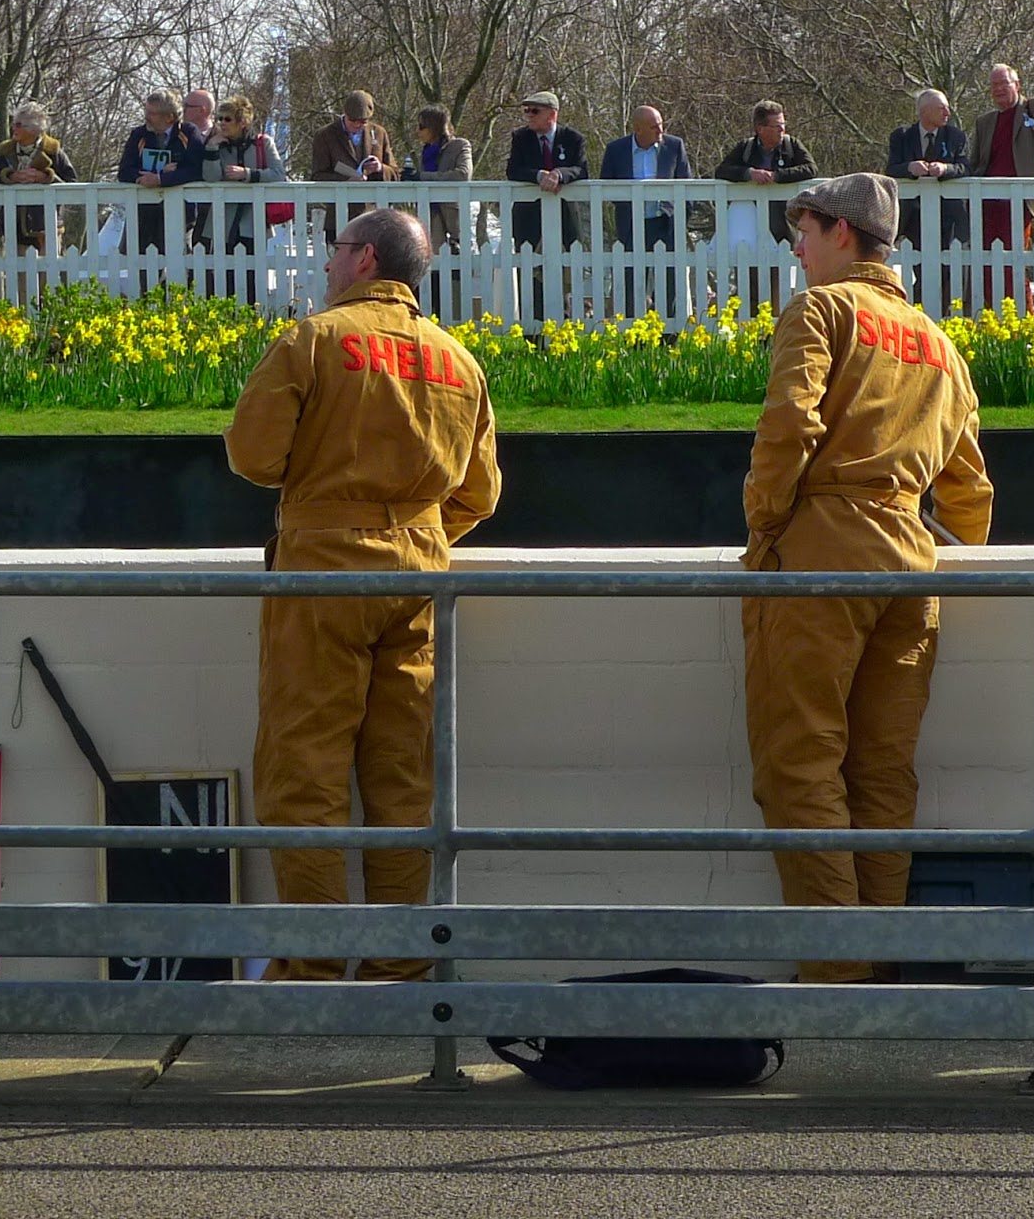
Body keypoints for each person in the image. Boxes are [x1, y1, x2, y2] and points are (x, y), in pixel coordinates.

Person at [225, 207, 501, 982]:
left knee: (303, 770)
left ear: (366, 260)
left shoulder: (313, 341)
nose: (326, 261)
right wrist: (412, 528)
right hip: (419, 574)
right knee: (403, 776)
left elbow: (253, 456)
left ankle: (312, 967)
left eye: (336, 248)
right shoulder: (459, 361)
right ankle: (399, 965)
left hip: (324, 570)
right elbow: (479, 494)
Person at [741, 172, 993, 984]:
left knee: (799, 760)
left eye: (804, 231)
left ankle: (835, 971)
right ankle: (880, 965)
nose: (798, 248)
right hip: (913, 567)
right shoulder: (940, 346)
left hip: (825, 552)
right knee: (883, 772)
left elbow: (789, 424)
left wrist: (767, 527)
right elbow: (970, 491)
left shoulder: (821, 311)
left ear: (841, 233)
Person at [715, 100, 816, 310]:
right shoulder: (746, 148)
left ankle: (778, 320)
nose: (782, 130)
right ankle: (751, 322)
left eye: (783, 124)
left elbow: (810, 169)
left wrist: (777, 176)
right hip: (750, 229)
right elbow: (722, 170)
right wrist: (749, 173)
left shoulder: (791, 145)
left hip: (783, 225)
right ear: (760, 128)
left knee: (781, 280)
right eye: (776, 126)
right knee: (750, 282)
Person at [600, 105, 692, 317]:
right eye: (654, 127)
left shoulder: (674, 146)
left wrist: (680, 220)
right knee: (631, 282)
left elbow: (687, 185)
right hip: (632, 225)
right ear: (638, 129)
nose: (660, 131)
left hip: (665, 223)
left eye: (661, 125)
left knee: (667, 283)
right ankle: (633, 331)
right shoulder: (616, 150)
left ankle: (667, 332)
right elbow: (606, 186)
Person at [196, 94, 288, 304]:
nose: (222, 123)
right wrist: (211, 148)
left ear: (243, 121)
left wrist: (248, 174)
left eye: (227, 119)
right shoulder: (215, 144)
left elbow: (278, 174)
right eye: (219, 118)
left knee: (252, 275)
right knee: (223, 276)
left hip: (253, 221)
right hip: (223, 221)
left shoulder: (263, 143)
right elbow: (210, 177)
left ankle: (251, 315)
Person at [884, 87, 969, 314]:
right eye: (941, 108)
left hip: (948, 215)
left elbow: (965, 167)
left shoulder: (955, 136)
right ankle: (918, 312)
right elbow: (891, 169)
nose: (947, 113)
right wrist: (910, 168)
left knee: (947, 269)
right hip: (914, 215)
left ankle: (943, 314)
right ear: (924, 111)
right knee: (920, 266)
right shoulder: (902, 136)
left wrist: (946, 169)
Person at [506, 89, 589, 322]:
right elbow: (513, 170)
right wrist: (539, 175)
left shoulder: (573, 138)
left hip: (565, 214)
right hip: (528, 215)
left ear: (552, 114)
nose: (529, 116)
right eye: (527, 111)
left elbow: (581, 169)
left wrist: (559, 175)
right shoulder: (521, 138)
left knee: (568, 269)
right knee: (528, 270)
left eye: (535, 111)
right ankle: (532, 326)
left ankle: (566, 322)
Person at [967, 63, 1034, 309]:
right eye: (994, 85)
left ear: (1017, 85)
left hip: (1019, 201)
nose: (999, 89)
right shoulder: (985, 122)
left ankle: (1023, 317)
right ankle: (992, 316)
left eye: (1004, 83)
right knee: (987, 263)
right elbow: (976, 162)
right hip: (987, 203)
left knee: (1014, 261)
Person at [117, 87, 205, 259]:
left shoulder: (189, 133)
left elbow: (196, 170)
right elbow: (125, 171)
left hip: (179, 214)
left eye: (152, 113)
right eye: (146, 111)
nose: (146, 116)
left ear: (169, 117)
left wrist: (162, 179)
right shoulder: (139, 135)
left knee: (180, 262)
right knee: (143, 265)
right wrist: (148, 177)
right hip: (143, 214)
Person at [309, 89, 398, 243]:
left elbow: (396, 173)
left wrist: (381, 168)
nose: (357, 125)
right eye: (353, 120)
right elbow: (318, 176)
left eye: (363, 121)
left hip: (373, 218)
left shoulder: (379, 133)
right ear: (344, 114)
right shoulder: (325, 135)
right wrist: (346, 181)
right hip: (338, 217)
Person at [0, 101, 78, 257]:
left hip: (48, 227)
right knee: (17, 271)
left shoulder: (54, 151)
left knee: (48, 270)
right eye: (13, 123)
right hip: (14, 227)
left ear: (34, 128)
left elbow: (71, 184)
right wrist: (10, 176)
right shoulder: (4, 151)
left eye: (18, 125)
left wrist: (47, 177)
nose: (13, 128)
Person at [415, 103, 472, 317]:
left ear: (435, 126)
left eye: (422, 126)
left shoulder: (460, 145)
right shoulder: (425, 151)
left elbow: (462, 174)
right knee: (431, 267)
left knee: (454, 268)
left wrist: (423, 177)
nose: (418, 131)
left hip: (452, 214)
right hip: (430, 214)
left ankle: (455, 317)